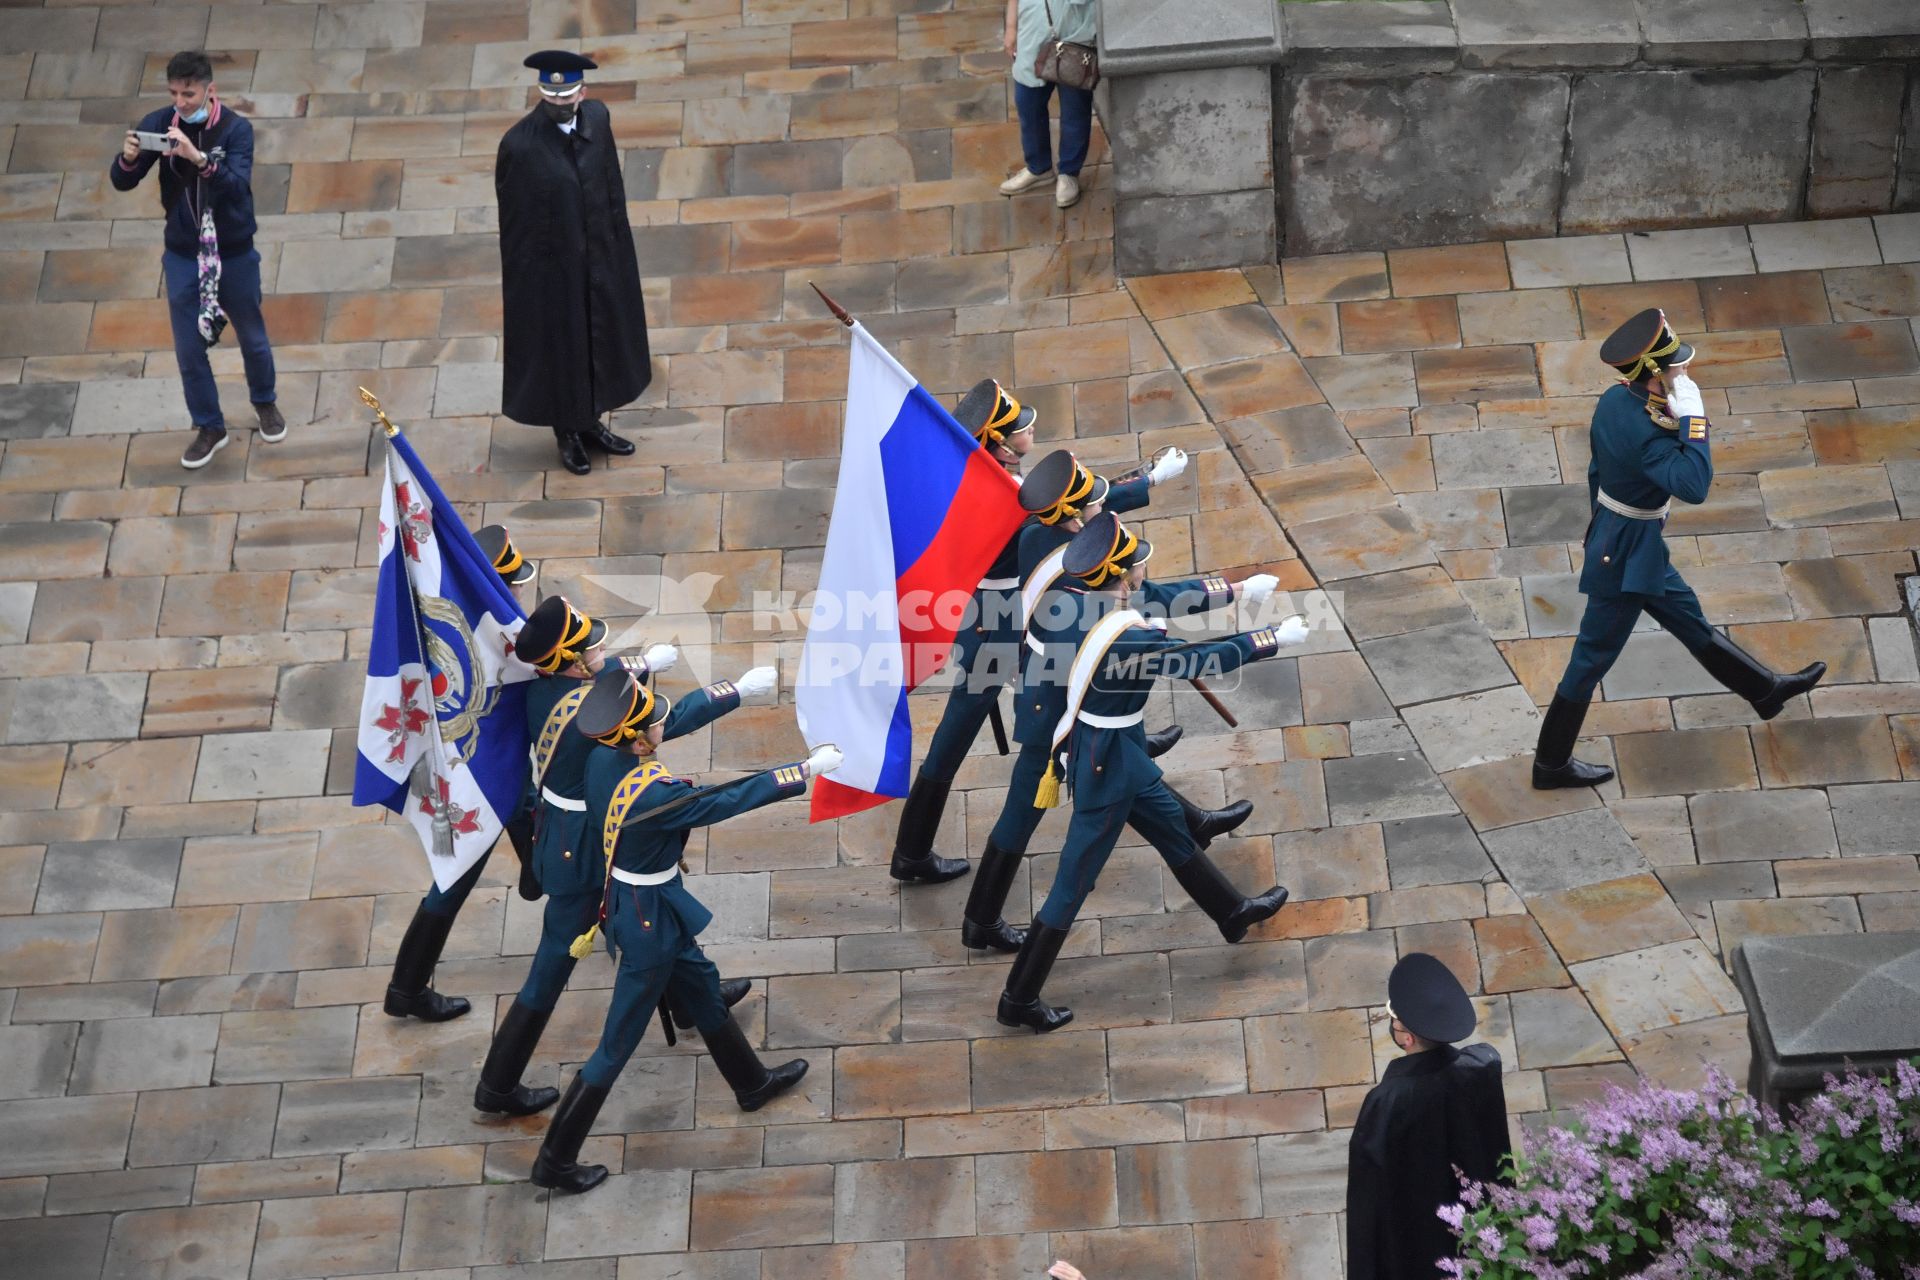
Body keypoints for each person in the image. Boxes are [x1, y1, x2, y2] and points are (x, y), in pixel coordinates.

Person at [527, 674, 843, 1193]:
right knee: (614, 1046)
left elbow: (672, 721)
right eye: (652, 725)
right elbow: (725, 800)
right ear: (635, 739)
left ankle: (751, 1083)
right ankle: (555, 1160)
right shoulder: (652, 793)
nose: (660, 727)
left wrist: (735, 689)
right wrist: (802, 770)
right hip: (648, 921)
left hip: (653, 907)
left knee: (701, 985)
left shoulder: (607, 757)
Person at [998, 513, 1309, 1032]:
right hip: (1108, 762)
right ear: (1122, 577)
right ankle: (1018, 997)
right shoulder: (1128, 634)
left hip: (1115, 751)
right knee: (1071, 886)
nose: (1144, 568)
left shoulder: (1079, 605)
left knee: (1171, 827)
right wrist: (1270, 638)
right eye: (1137, 563)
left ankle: (1232, 912)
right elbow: (1201, 659)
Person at [961, 447, 1264, 952]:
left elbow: (1096, 516)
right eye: (1098, 506)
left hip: (1052, 690)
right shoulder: (1083, 575)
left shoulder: (1048, 539)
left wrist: (1148, 478)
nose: (1109, 510)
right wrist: (1226, 599)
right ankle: (981, 918)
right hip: (1057, 709)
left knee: (1133, 782)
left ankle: (1201, 840)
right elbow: (1158, 600)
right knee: (1023, 814)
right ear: (1078, 520)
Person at [1532, 309, 1827, 789]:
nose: (1684, 371)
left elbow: (1598, 470)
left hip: (1629, 540)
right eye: (1675, 368)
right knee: (1592, 656)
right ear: (1652, 375)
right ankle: (1550, 765)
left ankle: (1765, 690)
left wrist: (1604, 524)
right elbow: (1693, 485)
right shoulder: (1651, 437)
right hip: (1625, 556)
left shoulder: (1614, 400)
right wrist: (1695, 423)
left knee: (1689, 619)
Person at [473, 658, 776, 1117]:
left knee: (666, 941)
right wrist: (735, 690)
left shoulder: (545, 692)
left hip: (565, 834)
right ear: (569, 663)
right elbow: (664, 721)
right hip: (588, 852)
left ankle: (695, 1008)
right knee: (552, 968)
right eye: (590, 651)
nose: (602, 657)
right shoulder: (598, 729)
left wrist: (642, 665)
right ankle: (497, 1084)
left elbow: (618, 688)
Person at [381, 592, 670, 1023]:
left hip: (507, 775)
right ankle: (406, 988)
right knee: (465, 877)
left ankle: (686, 989)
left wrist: (636, 665)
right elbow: (564, 681)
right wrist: (636, 666)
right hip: (494, 777)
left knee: (560, 874)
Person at [885, 377, 1035, 886]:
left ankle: (1134, 749)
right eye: (1020, 430)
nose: (1030, 433)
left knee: (1076, 697)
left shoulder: (974, 476)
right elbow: (1067, 515)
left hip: (990, 614)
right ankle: (910, 853)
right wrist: (1144, 483)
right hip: (997, 624)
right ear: (997, 440)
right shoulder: (1003, 490)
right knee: (952, 739)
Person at [110, 50, 281, 470]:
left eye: (189, 93)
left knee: (252, 337)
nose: (181, 102)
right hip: (185, 252)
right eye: (174, 93)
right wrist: (129, 159)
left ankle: (265, 403)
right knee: (189, 349)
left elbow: (237, 187)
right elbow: (122, 182)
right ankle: (210, 426)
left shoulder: (236, 130)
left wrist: (198, 159)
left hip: (233, 250)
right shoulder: (159, 123)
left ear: (209, 90)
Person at [495, 50, 646, 477]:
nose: (559, 105)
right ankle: (567, 430)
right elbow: (515, 224)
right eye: (551, 99)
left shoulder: (598, 119)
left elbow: (610, 183)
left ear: (583, 92)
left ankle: (590, 421)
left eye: (567, 97)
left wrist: (615, 246)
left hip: (600, 258)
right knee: (563, 351)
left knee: (601, 344)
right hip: (553, 274)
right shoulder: (519, 146)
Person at [1346, 952, 1512, 1280]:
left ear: (1406, 1038)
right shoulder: (1481, 1067)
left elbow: (1369, 1204)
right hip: (1476, 1228)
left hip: (1414, 1244)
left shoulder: (1386, 1102)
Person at [1000, 0, 1097, 209]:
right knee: (1028, 106)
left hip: (1075, 38)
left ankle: (1069, 172)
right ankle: (1038, 167)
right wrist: (1011, 28)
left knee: (1075, 112)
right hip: (1031, 35)